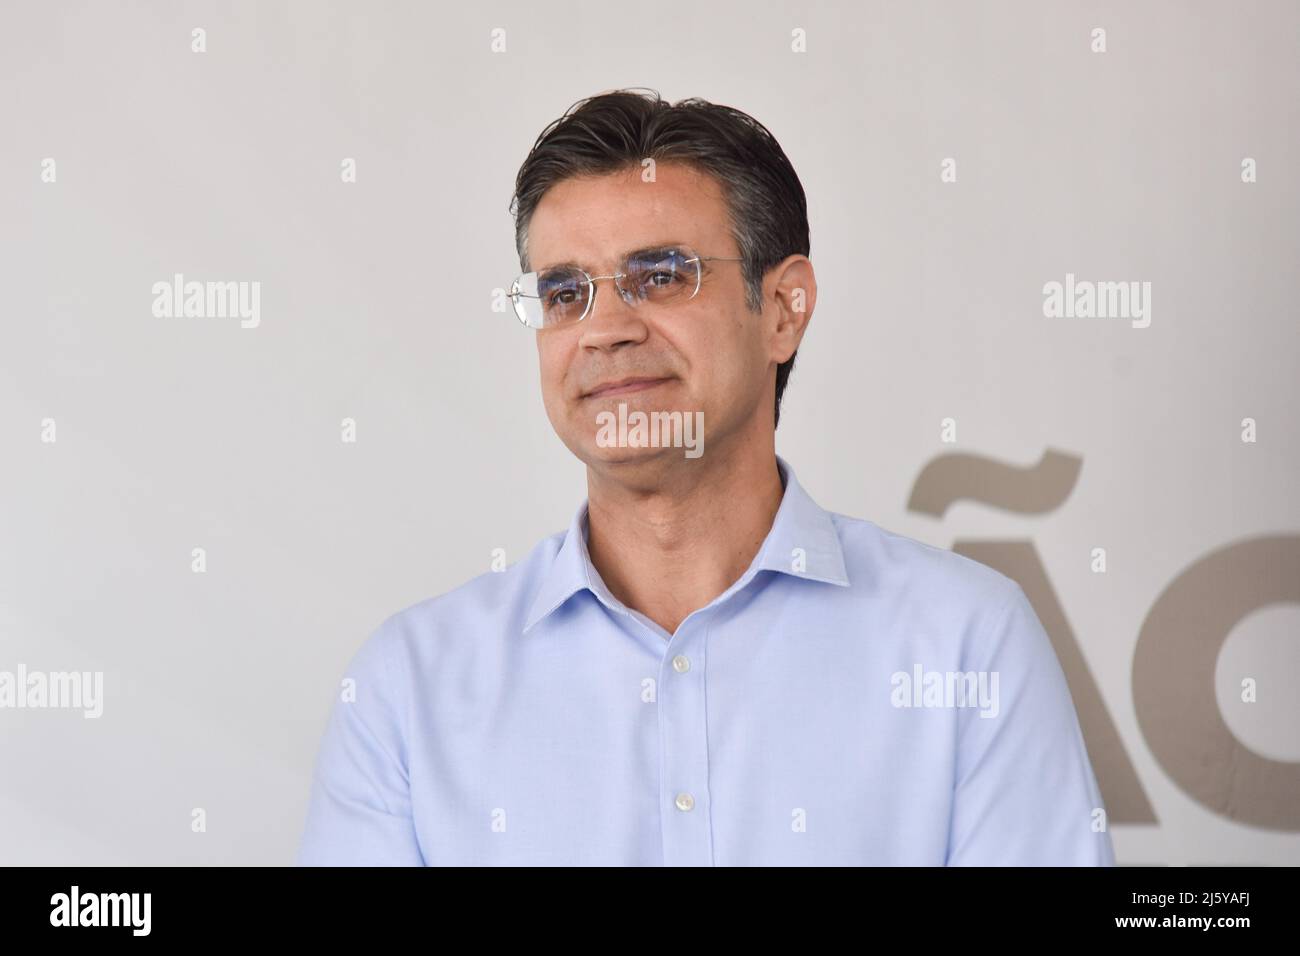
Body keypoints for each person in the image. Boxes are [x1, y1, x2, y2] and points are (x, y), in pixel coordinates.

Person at [296, 89, 1115, 866]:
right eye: (564, 292)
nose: (605, 330)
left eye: (661, 276)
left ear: (785, 308)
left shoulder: (966, 644)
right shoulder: (411, 687)